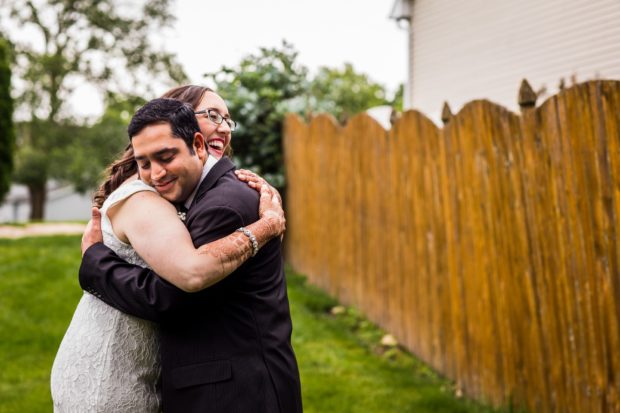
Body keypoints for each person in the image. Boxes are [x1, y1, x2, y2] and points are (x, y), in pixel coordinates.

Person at [50, 92, 284, 411]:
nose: (224, 128)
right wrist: (267, 225)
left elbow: (184, 283)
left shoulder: (215, 198)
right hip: (112, 362)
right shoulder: (146, 197)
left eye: (227, 119)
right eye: (212, 115)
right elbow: (187, 278)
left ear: (195, 143)